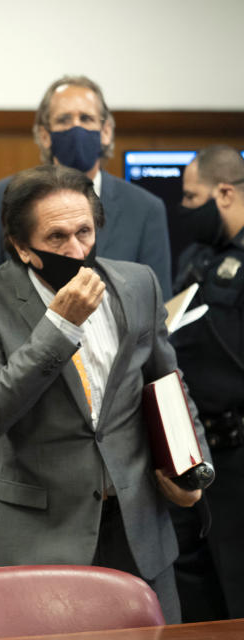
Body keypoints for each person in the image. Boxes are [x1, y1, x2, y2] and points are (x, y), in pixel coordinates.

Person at [0, 164, 208, 624]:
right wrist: (58, 327)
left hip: (136, 525)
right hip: (41, 534)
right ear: (20, 247)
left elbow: (168, 382)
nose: (76, 250)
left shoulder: (136, 284)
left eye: (84, 232)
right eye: (56, 238)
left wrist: (192, 467)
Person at [0, 75, 172, 298]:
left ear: (106, 131)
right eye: (64, 120)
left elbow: (159, 304)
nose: (76, 128)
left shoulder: (145, 208)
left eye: (86, 118)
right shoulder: (3, 197)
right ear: (44, 135)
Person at [167, 145, 244, 621]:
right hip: (191, 452)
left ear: (225, 192)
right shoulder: (196, 256)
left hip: (239, 452)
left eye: (193, 199)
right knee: (195, 596)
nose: (185, 210)